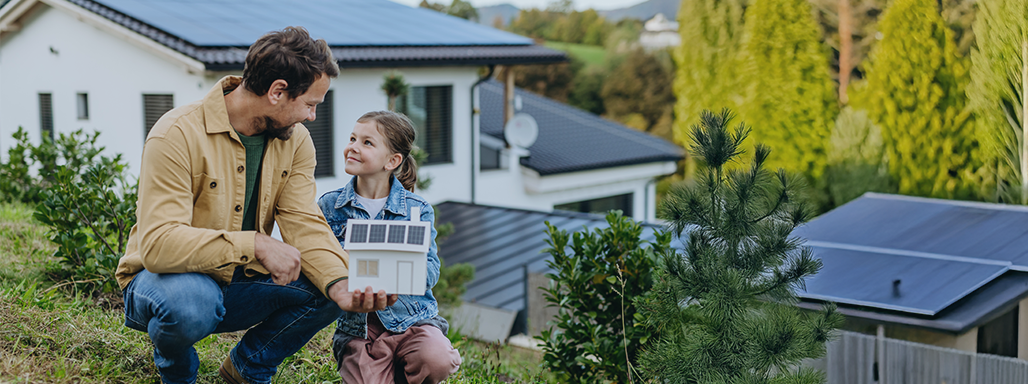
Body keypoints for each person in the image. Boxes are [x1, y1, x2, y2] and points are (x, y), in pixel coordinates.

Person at [115, 27, 396, 384]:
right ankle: (178, 373)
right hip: (162, 284)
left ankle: (248, 368)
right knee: (190, 303)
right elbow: (158, 246)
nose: (312, 116)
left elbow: (304, 223)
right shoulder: (176, 133)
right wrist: (256, 243)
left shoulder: (296, 142)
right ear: (278, 91)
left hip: (236, 284)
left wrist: (341, 283)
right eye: (310, 104)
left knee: (327, 282)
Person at [318, 111, 462, 384]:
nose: (353, 147)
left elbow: (431, 272)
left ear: (392, 161)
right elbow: (318, 262)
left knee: (436, 359)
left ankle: (415, 362)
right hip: (360, 328)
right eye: (352, 138)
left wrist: (383, 264)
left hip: (414, 322)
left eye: (367, 143)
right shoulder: (330, 206)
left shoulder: (417, 210)